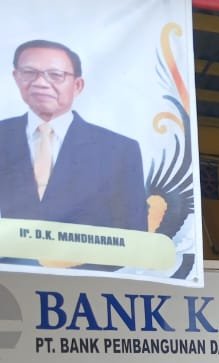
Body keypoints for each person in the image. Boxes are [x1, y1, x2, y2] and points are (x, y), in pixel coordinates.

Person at [0, 39, 146, 232]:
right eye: (29, 72)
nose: (40, 83)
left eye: (55, 75)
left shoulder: (119, 150)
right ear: (16, 77)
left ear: (77, 85)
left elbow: (133, 232)